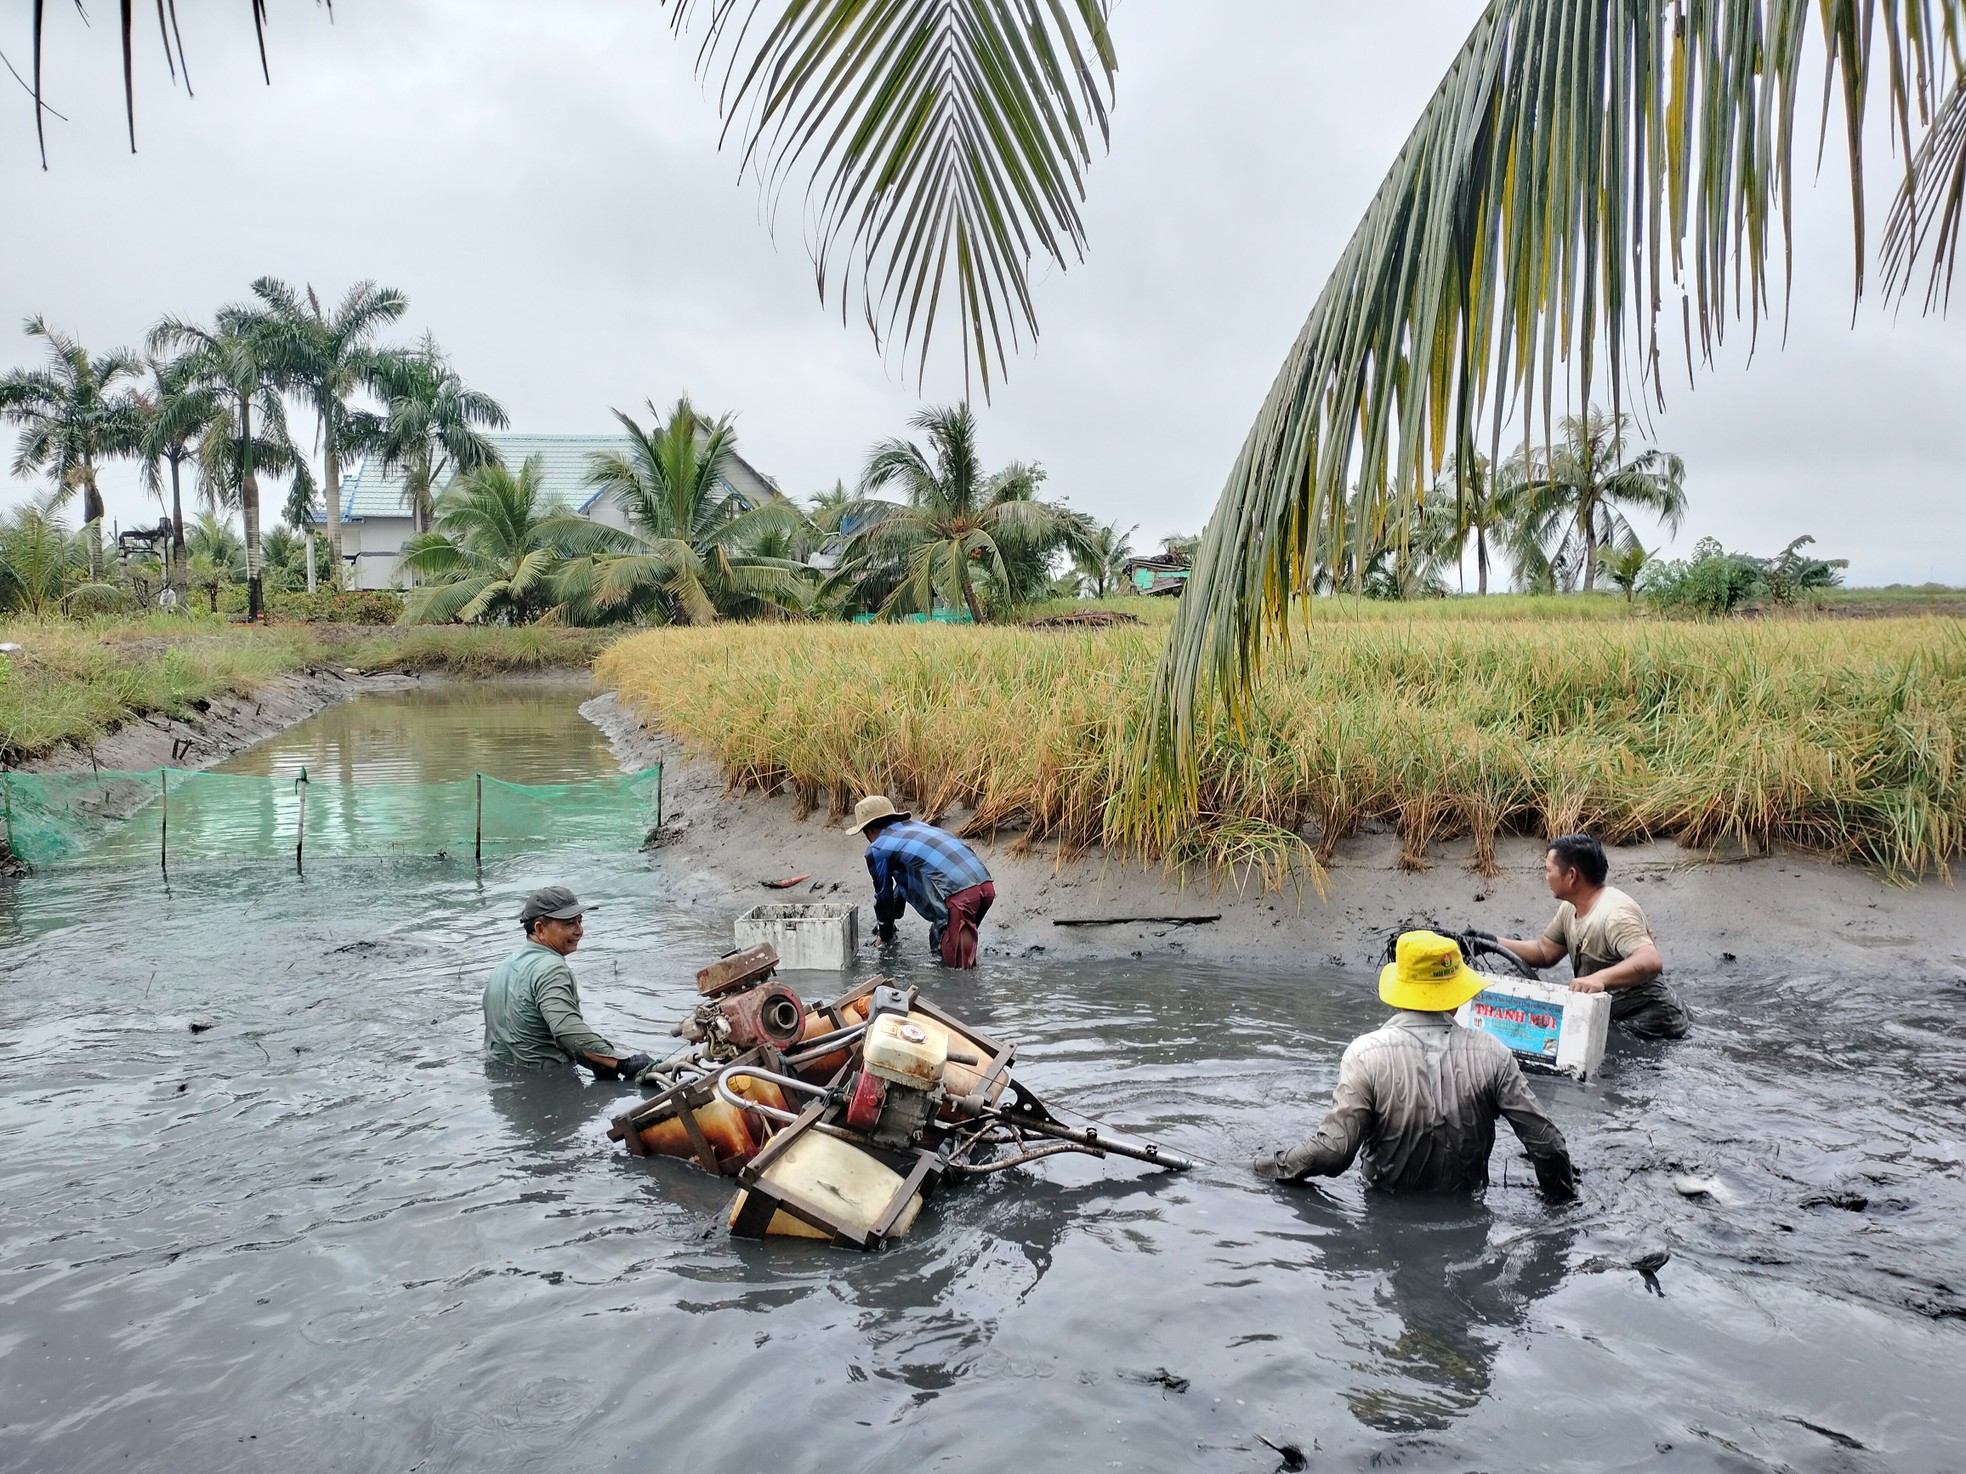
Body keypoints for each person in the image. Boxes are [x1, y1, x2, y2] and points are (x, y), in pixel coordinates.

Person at [1253, 930, 1577, 1199]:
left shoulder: (1365, 1054)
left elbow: (1333, 1153)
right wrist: (1560, 1204)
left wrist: (1262, 1167)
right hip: (1466, 1209)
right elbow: (1548, 1146)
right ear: (1458, 995)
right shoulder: (1493, 1053)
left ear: (1398, 992)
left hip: (1383, 1208)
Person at [1477, 833, 1690, 1040]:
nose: (1546, 877)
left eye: (1548, 870)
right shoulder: (1570, 909)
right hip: (1611, 1013)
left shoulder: (1615, 913)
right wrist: (1489, 941)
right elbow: (1545, 952)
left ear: (1571, 875)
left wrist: (1599, 979)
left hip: (1654, 1018)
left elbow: (1650, 960)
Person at [483, 885, 654, 1079]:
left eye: (580, 922)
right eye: (569, 924)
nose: (579, 931)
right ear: (540, 929)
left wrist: (600, 1057)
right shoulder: (551, 968)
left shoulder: (502, 968)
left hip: (502, 1085)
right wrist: (623, 1063)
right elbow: (566, 1031)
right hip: (547, 1084)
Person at [845, 795, 995, 968]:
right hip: (985, 886)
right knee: (946, 944)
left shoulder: (878, 847)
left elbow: (883, 897)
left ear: (869, 830)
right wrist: (889, 924)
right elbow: (902, 886)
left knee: (958, 973)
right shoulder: (917, 828)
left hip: (960, 896)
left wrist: (884, 934)